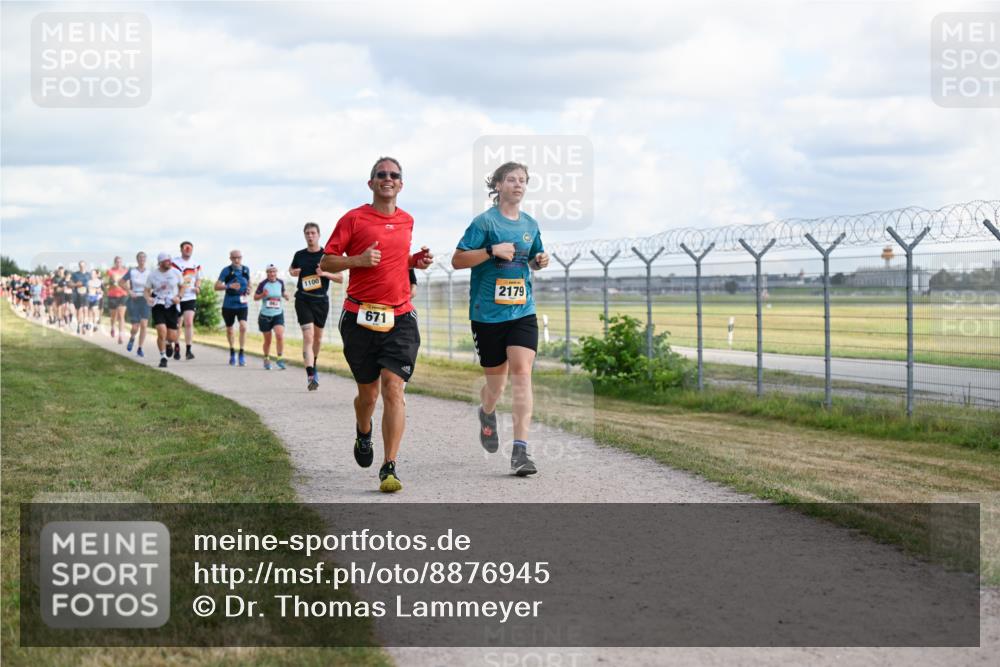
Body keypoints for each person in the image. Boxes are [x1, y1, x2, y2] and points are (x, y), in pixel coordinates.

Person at [320, 157, 433, 492]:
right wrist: (357, 260)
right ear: (371, 183)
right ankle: (363, 430)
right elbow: (326, 260)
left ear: (401, 184)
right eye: (381, 175)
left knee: (393, 388)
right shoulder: (353, 219)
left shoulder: (407, 220)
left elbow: (396, 261)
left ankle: (389, 467)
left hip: (400, 316)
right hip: (359, 316)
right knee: (367, 395)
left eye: (394, 175)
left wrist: (417, 262)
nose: (388, 179)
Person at [451, 161, 549, 477]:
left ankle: (520, 450)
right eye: (511, 179)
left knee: (522, 373)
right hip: (487, 315)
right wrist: (492, 251)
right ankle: (487, 412)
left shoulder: (531, 224)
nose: (518, 185)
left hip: (522, 311)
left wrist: (539, 260)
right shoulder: (484, 223)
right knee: (497, 383)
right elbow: (458, 259)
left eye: (522, 180)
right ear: (498, 185)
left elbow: (532, 258)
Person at [289, 222, 342, 390]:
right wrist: (293, 272)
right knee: (308, 336)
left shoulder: (327, 255)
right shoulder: (299, 254)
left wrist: (324, 273)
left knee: (318, 338)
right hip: (303, 299)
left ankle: (314, 362)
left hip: (321, 301)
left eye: (313, 233)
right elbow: (291, 269)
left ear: (319, 235)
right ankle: (310, 375)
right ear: (304, 236)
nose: (310, 236)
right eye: (307, 233)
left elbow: (340, 278)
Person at [145, 252, 183, 368]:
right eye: (167, 261)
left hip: (171, 304)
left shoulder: (176, 273)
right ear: (160, 263)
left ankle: (168, 344)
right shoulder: (153, 275)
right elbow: (146, 290)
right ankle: (163, 357)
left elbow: (183, 286)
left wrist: (179, 297)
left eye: (170, 260)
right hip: (158, 304)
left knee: (172, 336)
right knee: (161, 332)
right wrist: (148, 298)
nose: (170, 262)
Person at [214, 250, 251, 367]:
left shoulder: (246, 269)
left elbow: (249, 284)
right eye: (234, 258)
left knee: (243, 326)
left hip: (242, 303)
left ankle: (241, 353)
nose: (236, 260)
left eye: (238, 257)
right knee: (230, 329)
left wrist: (249, 289)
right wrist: (229, 285)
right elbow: (216, 286)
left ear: (241, 258)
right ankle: (232, 351)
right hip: (229, 304)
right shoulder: (226, 271)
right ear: (230, 258)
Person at [172, 241, 202, 360]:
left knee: (189, 323)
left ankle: (189, 350)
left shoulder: (196, 264)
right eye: (186, 248)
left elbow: (199, 279)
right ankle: (177, 346)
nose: (188, 250)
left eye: (190, 248)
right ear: (181, 250)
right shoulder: (175, 262)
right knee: (178, 324)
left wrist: (198, 287)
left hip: (190, 297)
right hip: (178, 297)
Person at [255, 264, 288, 370]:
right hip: (265, 315)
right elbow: (255, 297)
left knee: (279, 335)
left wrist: (285, 295)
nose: (272, 274)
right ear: (267, 273)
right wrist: (262, 295)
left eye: (274, 271)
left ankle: (279, 358)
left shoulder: (280, 282)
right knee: (268, 340)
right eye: (270, 272)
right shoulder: (263, 284)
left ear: (276, 272)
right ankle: (266, 358)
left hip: (278, 314)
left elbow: (282, 292)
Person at [121, 252, 150, 357]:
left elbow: (154, 285)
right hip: (134, 300)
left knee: (144, 324)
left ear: (145, 259)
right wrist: (129, 291)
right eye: (140, 257)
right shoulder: (132, 271)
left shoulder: (149, 272)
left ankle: (140, 348)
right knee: (135, 327)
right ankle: (132, 338)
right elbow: (121, 282)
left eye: (143, 257)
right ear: (137, 259)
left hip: (145, 300)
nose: (142, 259)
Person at [106, 256, 129, 344]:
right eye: (117, 261)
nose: (118, 263)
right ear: (114, 262)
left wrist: (128, 291)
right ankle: (112, 327)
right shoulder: (110, 271)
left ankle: (121, 335)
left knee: (121, 315)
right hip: (112, 295)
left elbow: (128, 283)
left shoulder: (125, 271)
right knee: (113, 316)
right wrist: (113, 285)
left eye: (120, 261)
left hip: (123, 295)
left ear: (121, 262)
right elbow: (106, 285)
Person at [71, 261, 90, 333]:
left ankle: (85, 324)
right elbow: (71, 283)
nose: (82, 267)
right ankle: (79, 325)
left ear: (85, 266)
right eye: (81, 266)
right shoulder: (75, 274)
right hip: (77, 295)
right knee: (80, 311)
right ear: (79, 266)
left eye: (83, 266)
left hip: (86, 294)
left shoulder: (89, 274)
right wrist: (76, 285)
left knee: (85, 309)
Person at [87, 269, 104, 334]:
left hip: (95, 298)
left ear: (96, 275)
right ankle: (89, 323)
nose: (92, 275)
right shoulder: (88, 281)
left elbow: (102, 290)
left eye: (93, 273)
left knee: (94, 311)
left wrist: (100, 293)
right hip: (88, 298)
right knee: (89, 311)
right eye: (91, 273)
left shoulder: (99, 282)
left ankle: (95, 325)